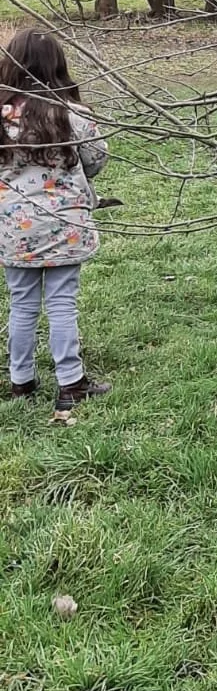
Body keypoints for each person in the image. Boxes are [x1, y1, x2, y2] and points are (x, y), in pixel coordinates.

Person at [1, 29, 110, 410]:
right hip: (64, 224)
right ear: (57, 65)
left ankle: (21, 380)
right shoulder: (73, 114)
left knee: (22, 303)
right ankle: (70, 382)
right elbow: (96, 159)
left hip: (12, 228)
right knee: (62, 303)